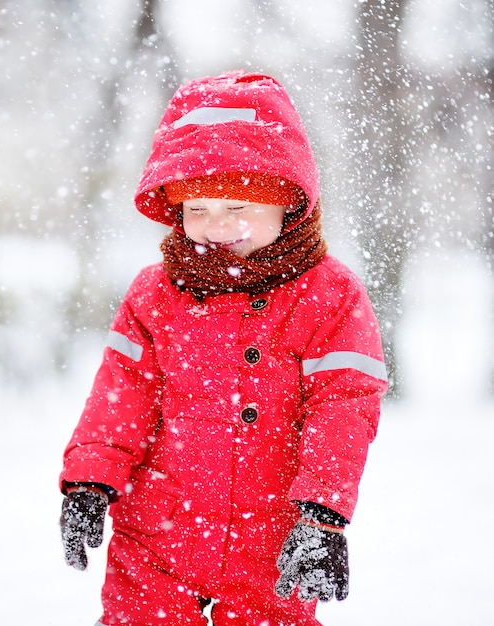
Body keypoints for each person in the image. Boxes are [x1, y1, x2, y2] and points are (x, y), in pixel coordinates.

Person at [59, 70, 388, 626]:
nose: (217, 226)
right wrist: (91, 476)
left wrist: (322, 513)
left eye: (238, 205)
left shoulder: (328, 296)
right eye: (197, 209)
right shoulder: (155, 293)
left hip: (275, 534)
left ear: (288, 202)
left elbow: (345, 404)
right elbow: (122, 393)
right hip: (159, 529)